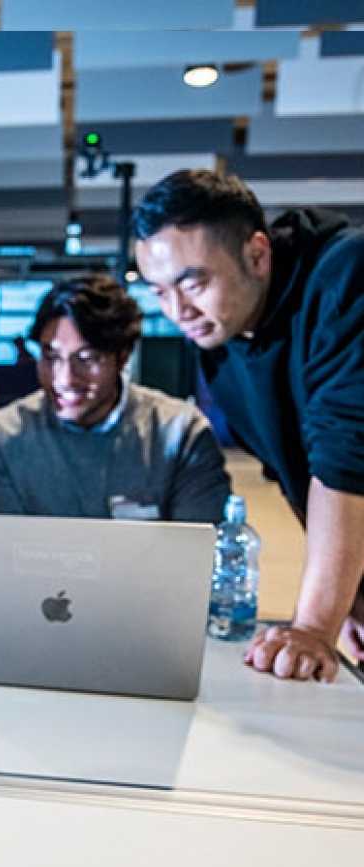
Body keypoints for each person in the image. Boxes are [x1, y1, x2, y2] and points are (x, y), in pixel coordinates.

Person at [133, 169, 364, 683]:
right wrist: (348, 596)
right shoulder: (220, 340)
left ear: (257, 255)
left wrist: (314, 625)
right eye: (159, 292)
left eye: (193, 283)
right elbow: (295, 472)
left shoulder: (346, 277)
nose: (177, 311)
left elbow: (345, 457)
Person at [0, 273, 231, 523]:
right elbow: (2, 545)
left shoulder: (179, 434)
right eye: (51, 357)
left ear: (123, 356)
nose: (65, 379)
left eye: (87, 359)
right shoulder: (4, 437)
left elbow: (197, 546)